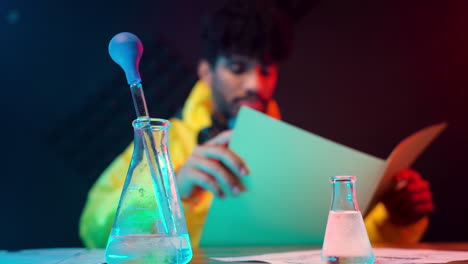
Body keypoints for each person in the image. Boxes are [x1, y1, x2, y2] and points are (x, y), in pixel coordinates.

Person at [79, 0, 434, 248]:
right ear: (206, 72)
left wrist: (397, 218)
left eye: (266, 70)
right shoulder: (167, 142)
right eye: (237, 68)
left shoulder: (294, 153)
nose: (255, 84)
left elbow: (337, 240)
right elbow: (93, 229)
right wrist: (173, 191)